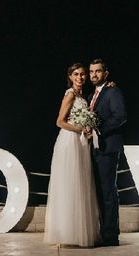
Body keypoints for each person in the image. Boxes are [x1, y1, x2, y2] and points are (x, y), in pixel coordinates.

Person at [43, 63, 100, 247]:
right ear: (70, 76)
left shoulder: (83, 96)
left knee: (80, 184)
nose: (80, 77)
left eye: (83, 74)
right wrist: (80, 128)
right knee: (69, 184)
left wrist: (88, 130)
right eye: (76, 74)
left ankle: (78, 232)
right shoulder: (70, 94)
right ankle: (66, 232)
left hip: (80, 142)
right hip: (69, 141)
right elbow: (59, 121)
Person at [88, 58, 127, 246]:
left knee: (108, 192)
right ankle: (102, 231)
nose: (94, 75)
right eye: (91, 71)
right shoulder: (91, 96)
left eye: (98, 71)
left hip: (108, 148)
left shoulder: (113, 91)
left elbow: (120, 116)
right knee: (99, 193)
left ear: (106, 73)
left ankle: (111, 236)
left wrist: (99, 130)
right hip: (95, 149)